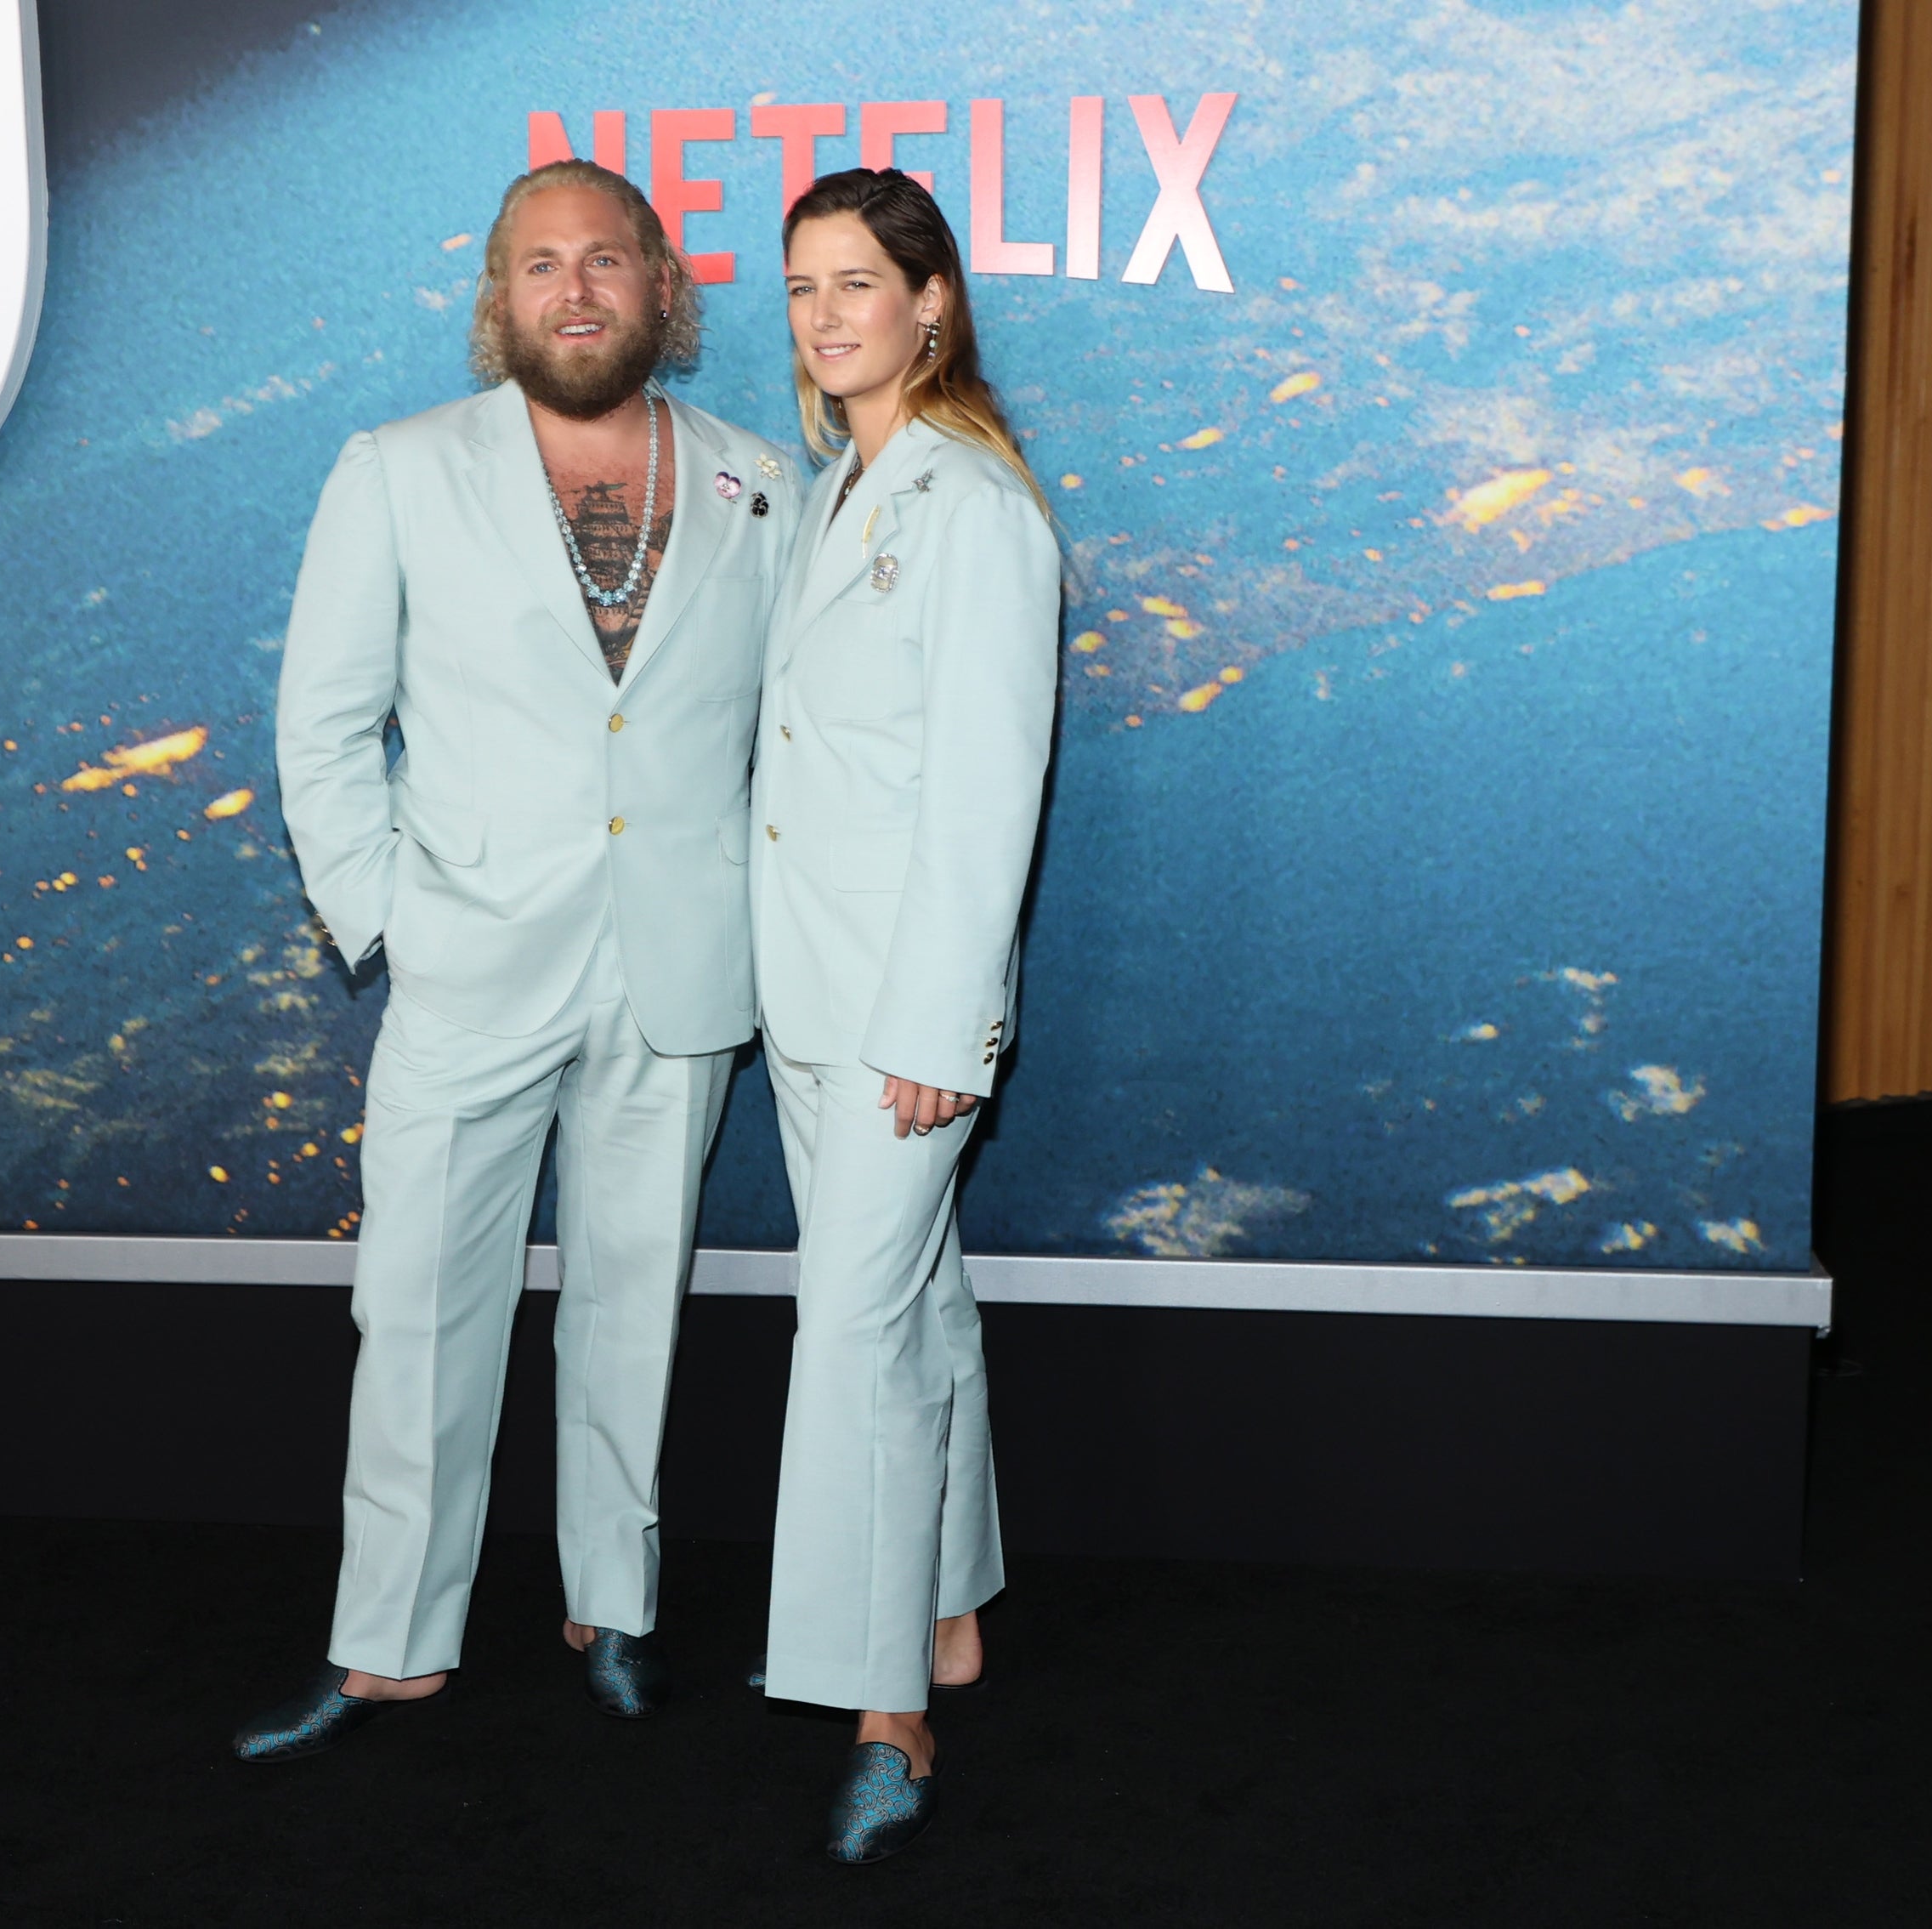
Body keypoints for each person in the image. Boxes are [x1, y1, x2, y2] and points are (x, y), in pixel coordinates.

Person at [239, 160, 798, 1760]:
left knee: (635, 1298)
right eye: (540, 262)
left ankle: (609, 1609)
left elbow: (804, 736)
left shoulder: (764, 483)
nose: (574, 288)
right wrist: (397, 920)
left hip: (682, 962)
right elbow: (323, 726)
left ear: (657, 284)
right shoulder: (399, 471)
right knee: (415, 1310)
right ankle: (389, 1648)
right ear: (500, 296)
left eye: (605, 259)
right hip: (470, 960)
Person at [749, 167, 1061, 1862]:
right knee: (919, 1310)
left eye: (857, 282)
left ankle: (884, 1706)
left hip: (899, 1015)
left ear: (931, 303)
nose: (825, 313)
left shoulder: (977, 508)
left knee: (855, 1338)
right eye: (802, 287)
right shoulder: (825, 491)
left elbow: (985, 795)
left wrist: (945, 1031)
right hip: (807, 986)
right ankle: (945, 1611)